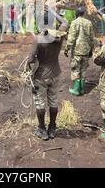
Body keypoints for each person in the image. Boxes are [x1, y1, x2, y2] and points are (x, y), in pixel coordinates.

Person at [27, 10, 68, 141]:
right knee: (54, 101)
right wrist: (52, 11)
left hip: (40, 76)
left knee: (40, 103)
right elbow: (65, 22)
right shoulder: (60, 36)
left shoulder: (38, 39)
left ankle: (42, 129)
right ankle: (52, 128)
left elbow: (30, 60)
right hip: (56, 73)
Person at [65, 6, 98, 96]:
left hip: (77, 51)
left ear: (76, 13)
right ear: (83, 13)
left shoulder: (74, 23)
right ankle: (82, 89)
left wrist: (67, 48)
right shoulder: (88, 23)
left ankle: (76, 90)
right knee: (83, 70)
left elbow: (71, 37)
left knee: (76, 69)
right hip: (86, 50)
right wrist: (91, 49)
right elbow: (92, 38)